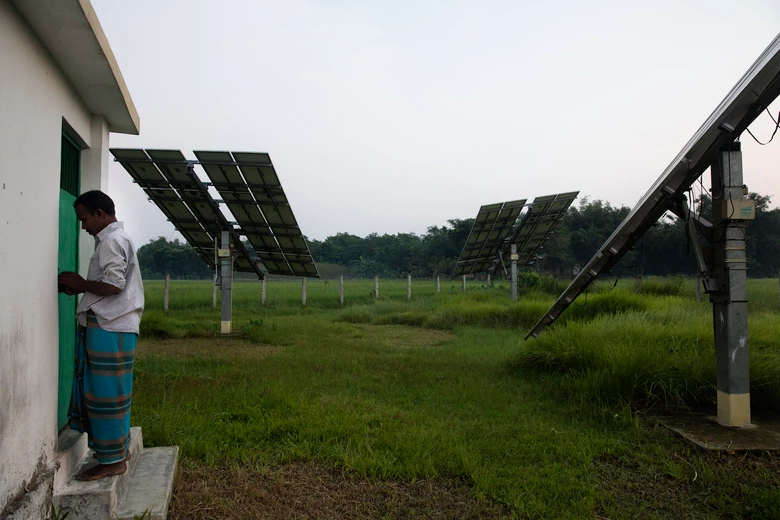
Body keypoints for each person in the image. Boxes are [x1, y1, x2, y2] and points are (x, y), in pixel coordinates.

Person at [58, 190, 144, 481]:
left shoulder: (111, 240)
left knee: (104, 395)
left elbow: (114, 285)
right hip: (115, 325)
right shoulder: (115, 239)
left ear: (100, 214)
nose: (83, 226)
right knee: (114, 393)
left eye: (84, 219)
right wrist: (83, 287)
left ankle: (112, 462)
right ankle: (117, 451)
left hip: (110, 325)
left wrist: (82, 284)